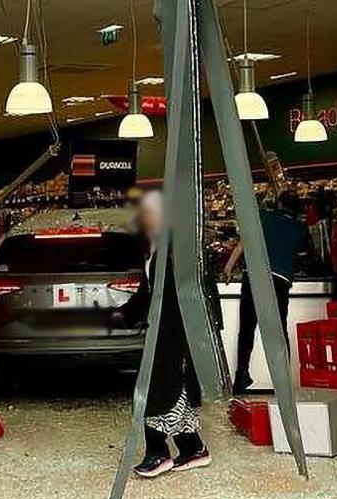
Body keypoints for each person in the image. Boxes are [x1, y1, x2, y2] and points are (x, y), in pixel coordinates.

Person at [120, 190, 211, 478]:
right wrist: (123, 315)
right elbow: (149, 292)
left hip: (177, 335)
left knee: (159, 392)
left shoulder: (176, 251)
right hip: (166, 332)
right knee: (173, 392)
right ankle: (193, 448)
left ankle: (157, 452)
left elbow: (187, 294)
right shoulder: (156, 251)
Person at [224, 190, 309, 394]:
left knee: (247, 329)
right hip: (280, 280)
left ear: (278, 203)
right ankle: (283, 380)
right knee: (278, 331)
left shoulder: (263, 217)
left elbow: (243, 242)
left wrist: (228, 267)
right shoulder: (300, 228)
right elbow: (303, 255)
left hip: (254, 276)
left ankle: (241, 376)